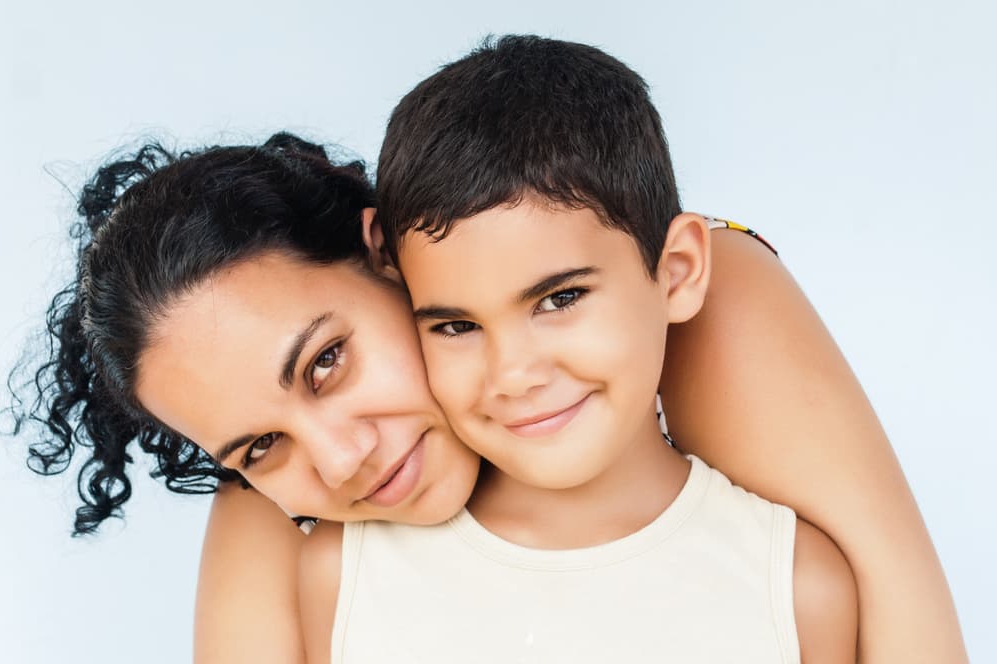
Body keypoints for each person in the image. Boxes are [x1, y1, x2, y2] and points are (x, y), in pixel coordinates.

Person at [8, 57, 965, 664]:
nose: (342, 461)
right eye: (258, 448)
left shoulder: (713, 291)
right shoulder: (306, 531)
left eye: (329, 362)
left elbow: (908, 616)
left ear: (387, 260)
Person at [295, 35, 855, 663]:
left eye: (559, 300)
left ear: (676, 271)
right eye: (456, 326)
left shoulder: (796, 588)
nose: (513, 375)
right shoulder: (345, 576)